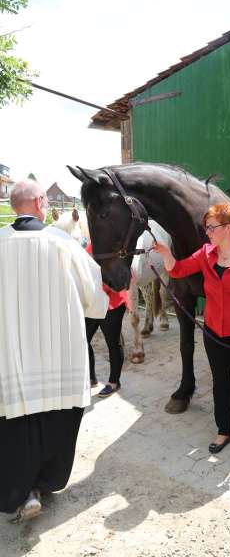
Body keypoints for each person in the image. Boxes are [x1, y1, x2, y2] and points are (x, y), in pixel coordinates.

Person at [0, 180, 108, 522]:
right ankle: (44, 483)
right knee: (56, 415)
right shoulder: (62, 243)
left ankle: (20, 489)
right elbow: (93, 292)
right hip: (57, 355)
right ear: (39, 201)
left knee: (16, 420)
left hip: (11, 356)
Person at [154, 203, 230, 458]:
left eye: (212, 227)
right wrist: (165, 254)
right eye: (206, 227)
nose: (207, 232)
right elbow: (179, 269)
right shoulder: (206, 254)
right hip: (214, 332)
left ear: (228, 228)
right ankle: (224, 430)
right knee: (220, 384)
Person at [85, 241, 128, 397]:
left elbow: (118, 279)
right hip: (92, 303)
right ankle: (90, 378)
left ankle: (114, 382)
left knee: (113, 344)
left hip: (112, 303)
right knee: (83, 339)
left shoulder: (116, 249)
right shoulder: (89, 246)